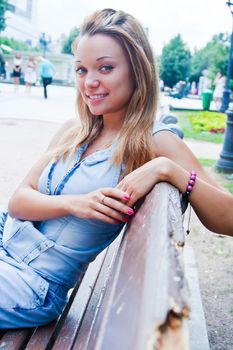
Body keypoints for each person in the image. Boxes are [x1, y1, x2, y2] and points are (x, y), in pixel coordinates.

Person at [0, 8, 232, 329]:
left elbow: (230, 218)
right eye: (81, 70)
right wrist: (74, 204)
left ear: (137, 71)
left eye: (105, 68)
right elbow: (18, 201)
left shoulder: (154, 142)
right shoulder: (74, 129)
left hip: (32, 282)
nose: (90, 82)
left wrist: (169, 169)